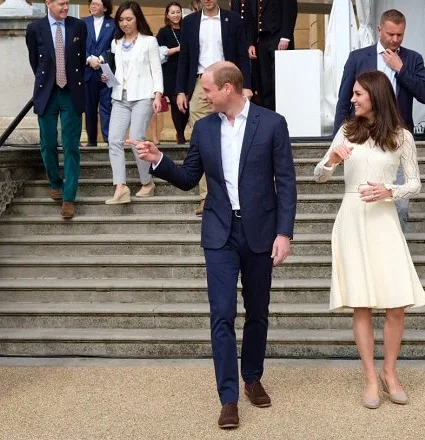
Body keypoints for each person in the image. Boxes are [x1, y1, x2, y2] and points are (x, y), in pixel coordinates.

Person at [136, 61, 296, 429]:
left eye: (207, 90)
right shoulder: (204, 129)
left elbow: (286, 182)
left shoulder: (272, 124)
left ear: (227, 88)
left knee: (257, 312)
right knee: (221, 314)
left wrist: (284, 234)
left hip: (260, 232)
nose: (202, 96)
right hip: (219, 234)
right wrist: (158, 159)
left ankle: (252, 377)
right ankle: (228, 398)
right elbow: (190, 178)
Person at [315, 71, 425, 409]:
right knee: (360, 302)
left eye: (358, 94)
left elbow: (415, 183)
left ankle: (389, 372)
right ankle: (369, 377)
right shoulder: (346, 132)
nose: (353, 99)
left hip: (384, 220)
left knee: (396, 303)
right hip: (351, 219)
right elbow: (318, 176)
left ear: (375, 95)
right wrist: (332, 161)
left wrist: (389, 191)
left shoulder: (401, 136)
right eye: (353, 94)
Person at [333, 9, 425, 231]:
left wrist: (401, 68)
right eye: (390, 34)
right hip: (362, 139)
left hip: (395, 140)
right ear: (379, 30)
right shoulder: (358, 58)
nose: (395, 39)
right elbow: (343, 101)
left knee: (400, 207)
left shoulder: (412, 59)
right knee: (364, 204)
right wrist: (337, 138)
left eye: (400, 35)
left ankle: (395, 253)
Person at [176, 0, 251, 215]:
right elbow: (185, 58)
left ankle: (233, 191)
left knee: (233, 133)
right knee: (201, 138)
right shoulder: (189, 22)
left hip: (228, 83)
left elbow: (242, 54)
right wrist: (181, 90)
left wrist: (246, 87)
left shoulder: (233, 20)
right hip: (200, 83)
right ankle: (205, 196)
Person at [26, 0, 87, 219]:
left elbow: (81, 56)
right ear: (48, 3)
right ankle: (54, 181)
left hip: (72, 93)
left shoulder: (78, 26)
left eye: (67, 3)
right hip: (47, 93)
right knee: (48, 142)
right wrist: (49, 80)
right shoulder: (34, 29)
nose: (65, 7)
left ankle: (69, 198)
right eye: (60, 3)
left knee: (71, 146)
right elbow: (35, 61)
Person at [102, 1, 163, 205]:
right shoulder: (116, 43)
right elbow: (117, 71)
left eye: (129, 19)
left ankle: (147, 182)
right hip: (120, 96)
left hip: (143, 96)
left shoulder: (149, 42)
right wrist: (108, 78)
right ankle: (120, 187)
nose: (125, 23)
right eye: (121, 20)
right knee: (114, 141)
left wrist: (157, 96)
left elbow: (156, 70)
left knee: (137, 140)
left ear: (138, 19)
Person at [231, 0, 297, 110]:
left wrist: (285, 36)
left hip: (278, 37)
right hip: (261, 39)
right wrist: (251, 43)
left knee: (279, 80)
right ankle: (269, 112)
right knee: (265, 81)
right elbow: (252, 16)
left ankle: (283, 110)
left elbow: (290, 9)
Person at [83, 0, 116, 147]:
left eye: (96, 3)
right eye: (91, 3)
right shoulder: (82, 23)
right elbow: (77, 44)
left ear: (105, 7)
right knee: (89, 107)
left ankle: (109, 139)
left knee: (107, 106)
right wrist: (89, 58)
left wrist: (101, 58)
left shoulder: (113, 23)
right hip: (88, 71)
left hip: (106, 72)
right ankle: (91, 140)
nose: (92, 6)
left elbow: (115, 45)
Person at [156, 2, 189, 144]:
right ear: (167, 15)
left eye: (178, 12)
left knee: (187, 104)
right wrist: (177, 49)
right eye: (173, 12)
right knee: (175, 103)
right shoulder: (164, 32)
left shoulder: (188, 29)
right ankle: (180, 134)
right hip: (170, 71)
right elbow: (158, 53)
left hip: (186, 70)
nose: (176, 15)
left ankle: (181, 130)